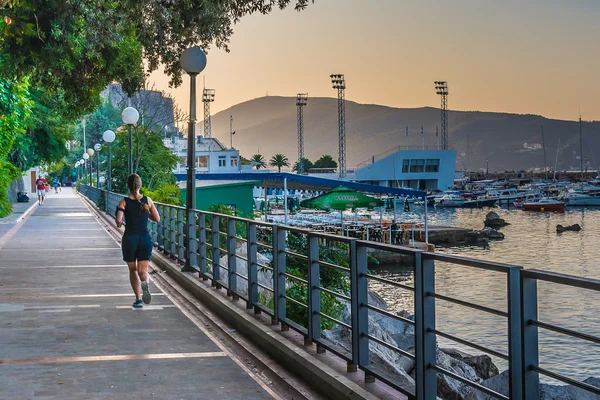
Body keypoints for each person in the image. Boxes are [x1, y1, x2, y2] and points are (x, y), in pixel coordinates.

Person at [115, 174, 160, 308]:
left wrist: (120, 223)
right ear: (140, 185)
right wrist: (146, 213)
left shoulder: (123, 202)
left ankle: (138, 299)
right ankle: (145, 281)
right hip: (144, 238)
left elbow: (118, 221)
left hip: (130, 239)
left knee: (133, 270)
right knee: (142, 270)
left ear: (128, 186)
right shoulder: (148, 200)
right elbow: (157, 219)